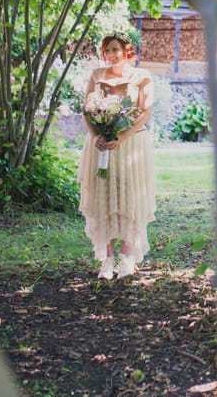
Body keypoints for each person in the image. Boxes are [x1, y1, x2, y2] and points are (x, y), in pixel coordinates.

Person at [78, 31, 156, 280]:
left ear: (126, 51)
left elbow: (144, 111)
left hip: (131, 144)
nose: (110, 55)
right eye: (106, 50)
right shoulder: (97, 76)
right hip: (101, 145)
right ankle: (107, 259)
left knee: (128, 196)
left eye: (114, 49)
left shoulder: (142, 77)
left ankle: (127, 258)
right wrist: (95, 136)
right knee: (104, 197)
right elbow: (86, 111)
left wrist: (121, 137)